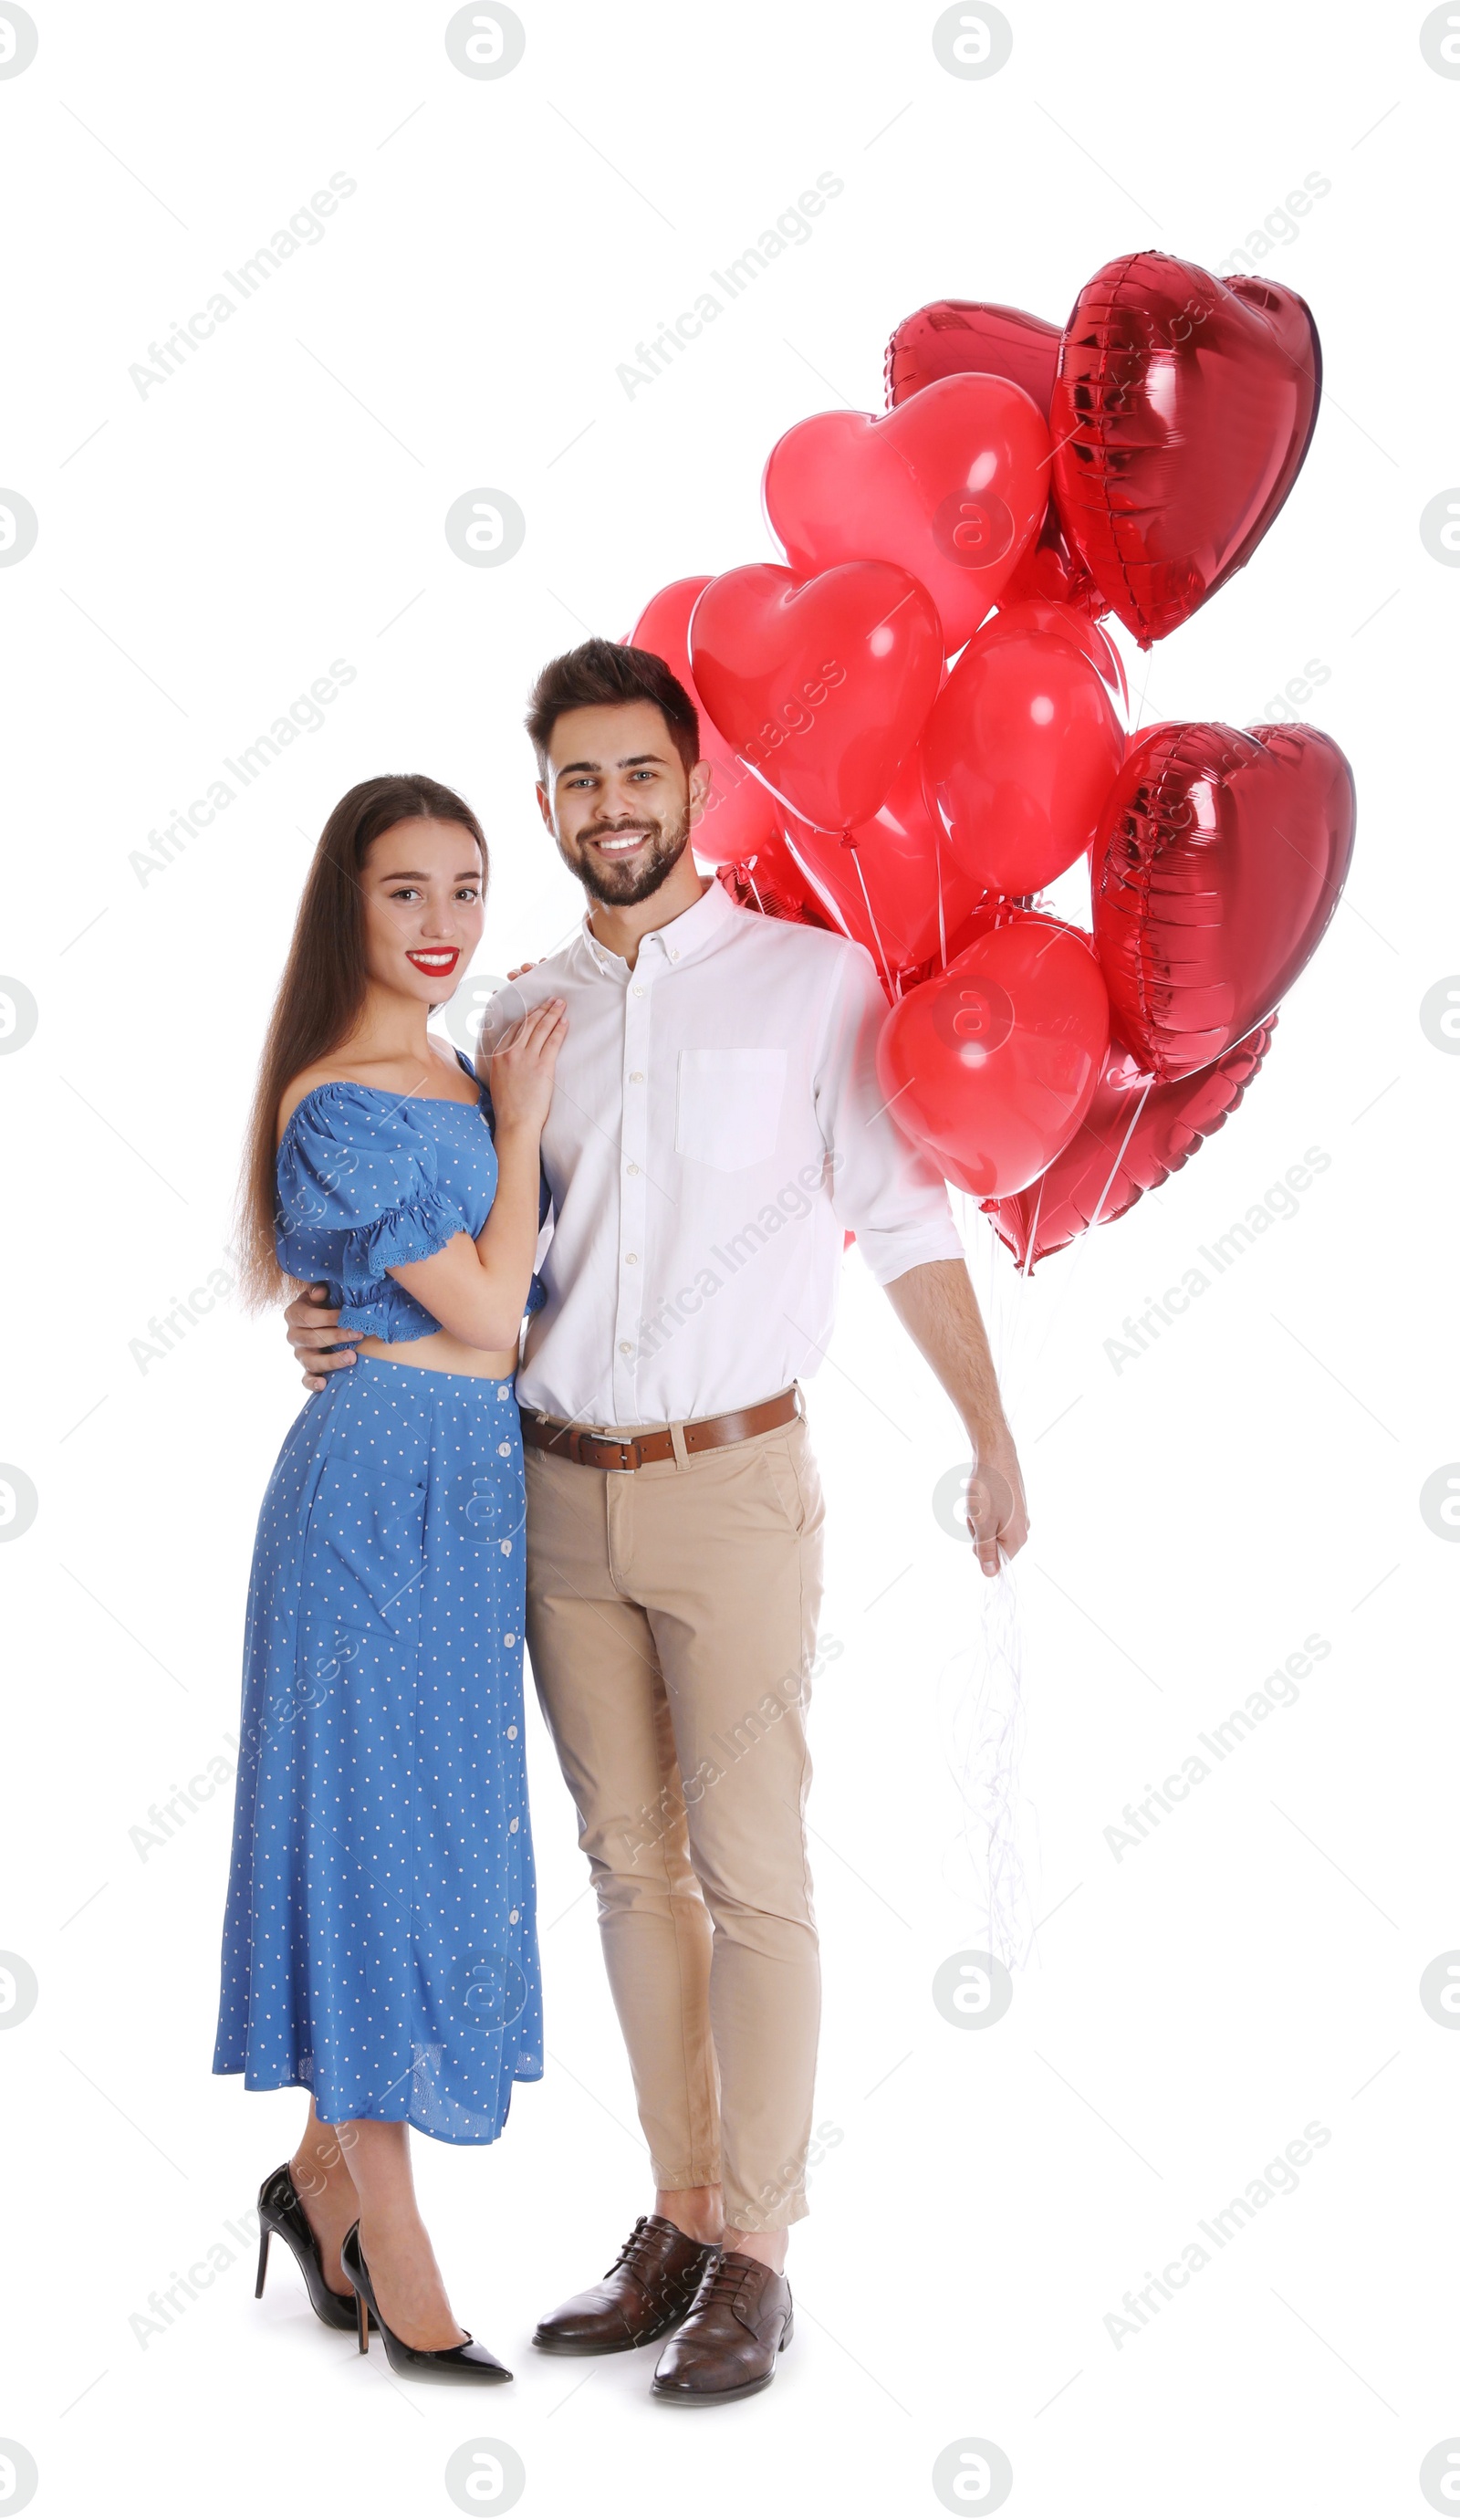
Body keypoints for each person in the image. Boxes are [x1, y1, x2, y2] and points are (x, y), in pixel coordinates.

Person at [286, 646, 1027, 2407]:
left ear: (696, 782)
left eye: (639, 773)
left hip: (736, 1485)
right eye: (576, 782)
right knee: (631, 1871)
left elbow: (905, 1217)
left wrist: (991, 1429)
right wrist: (333, 1325)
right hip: (543, 1490)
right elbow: (457, 1259)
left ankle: (759, 2252)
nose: (610, 807)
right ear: (546, 802)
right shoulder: (511, 1017)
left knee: (754, 1870)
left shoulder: (811, 984)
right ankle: (679, 2215)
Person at [215, 772, 566, 2384]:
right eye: (407, 891)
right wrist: (520, 1125)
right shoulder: (344, 1096)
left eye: (468, 890)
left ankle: (318, 2174)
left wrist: (494, 1131)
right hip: (370, 1503)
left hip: (467, 1496)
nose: (443, 926)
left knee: (415, 1815)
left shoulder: (446, 1066)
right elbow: (493, 1312)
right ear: (348, 905)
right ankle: (399, 2251)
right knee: (370, 1829)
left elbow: (486, 1311)